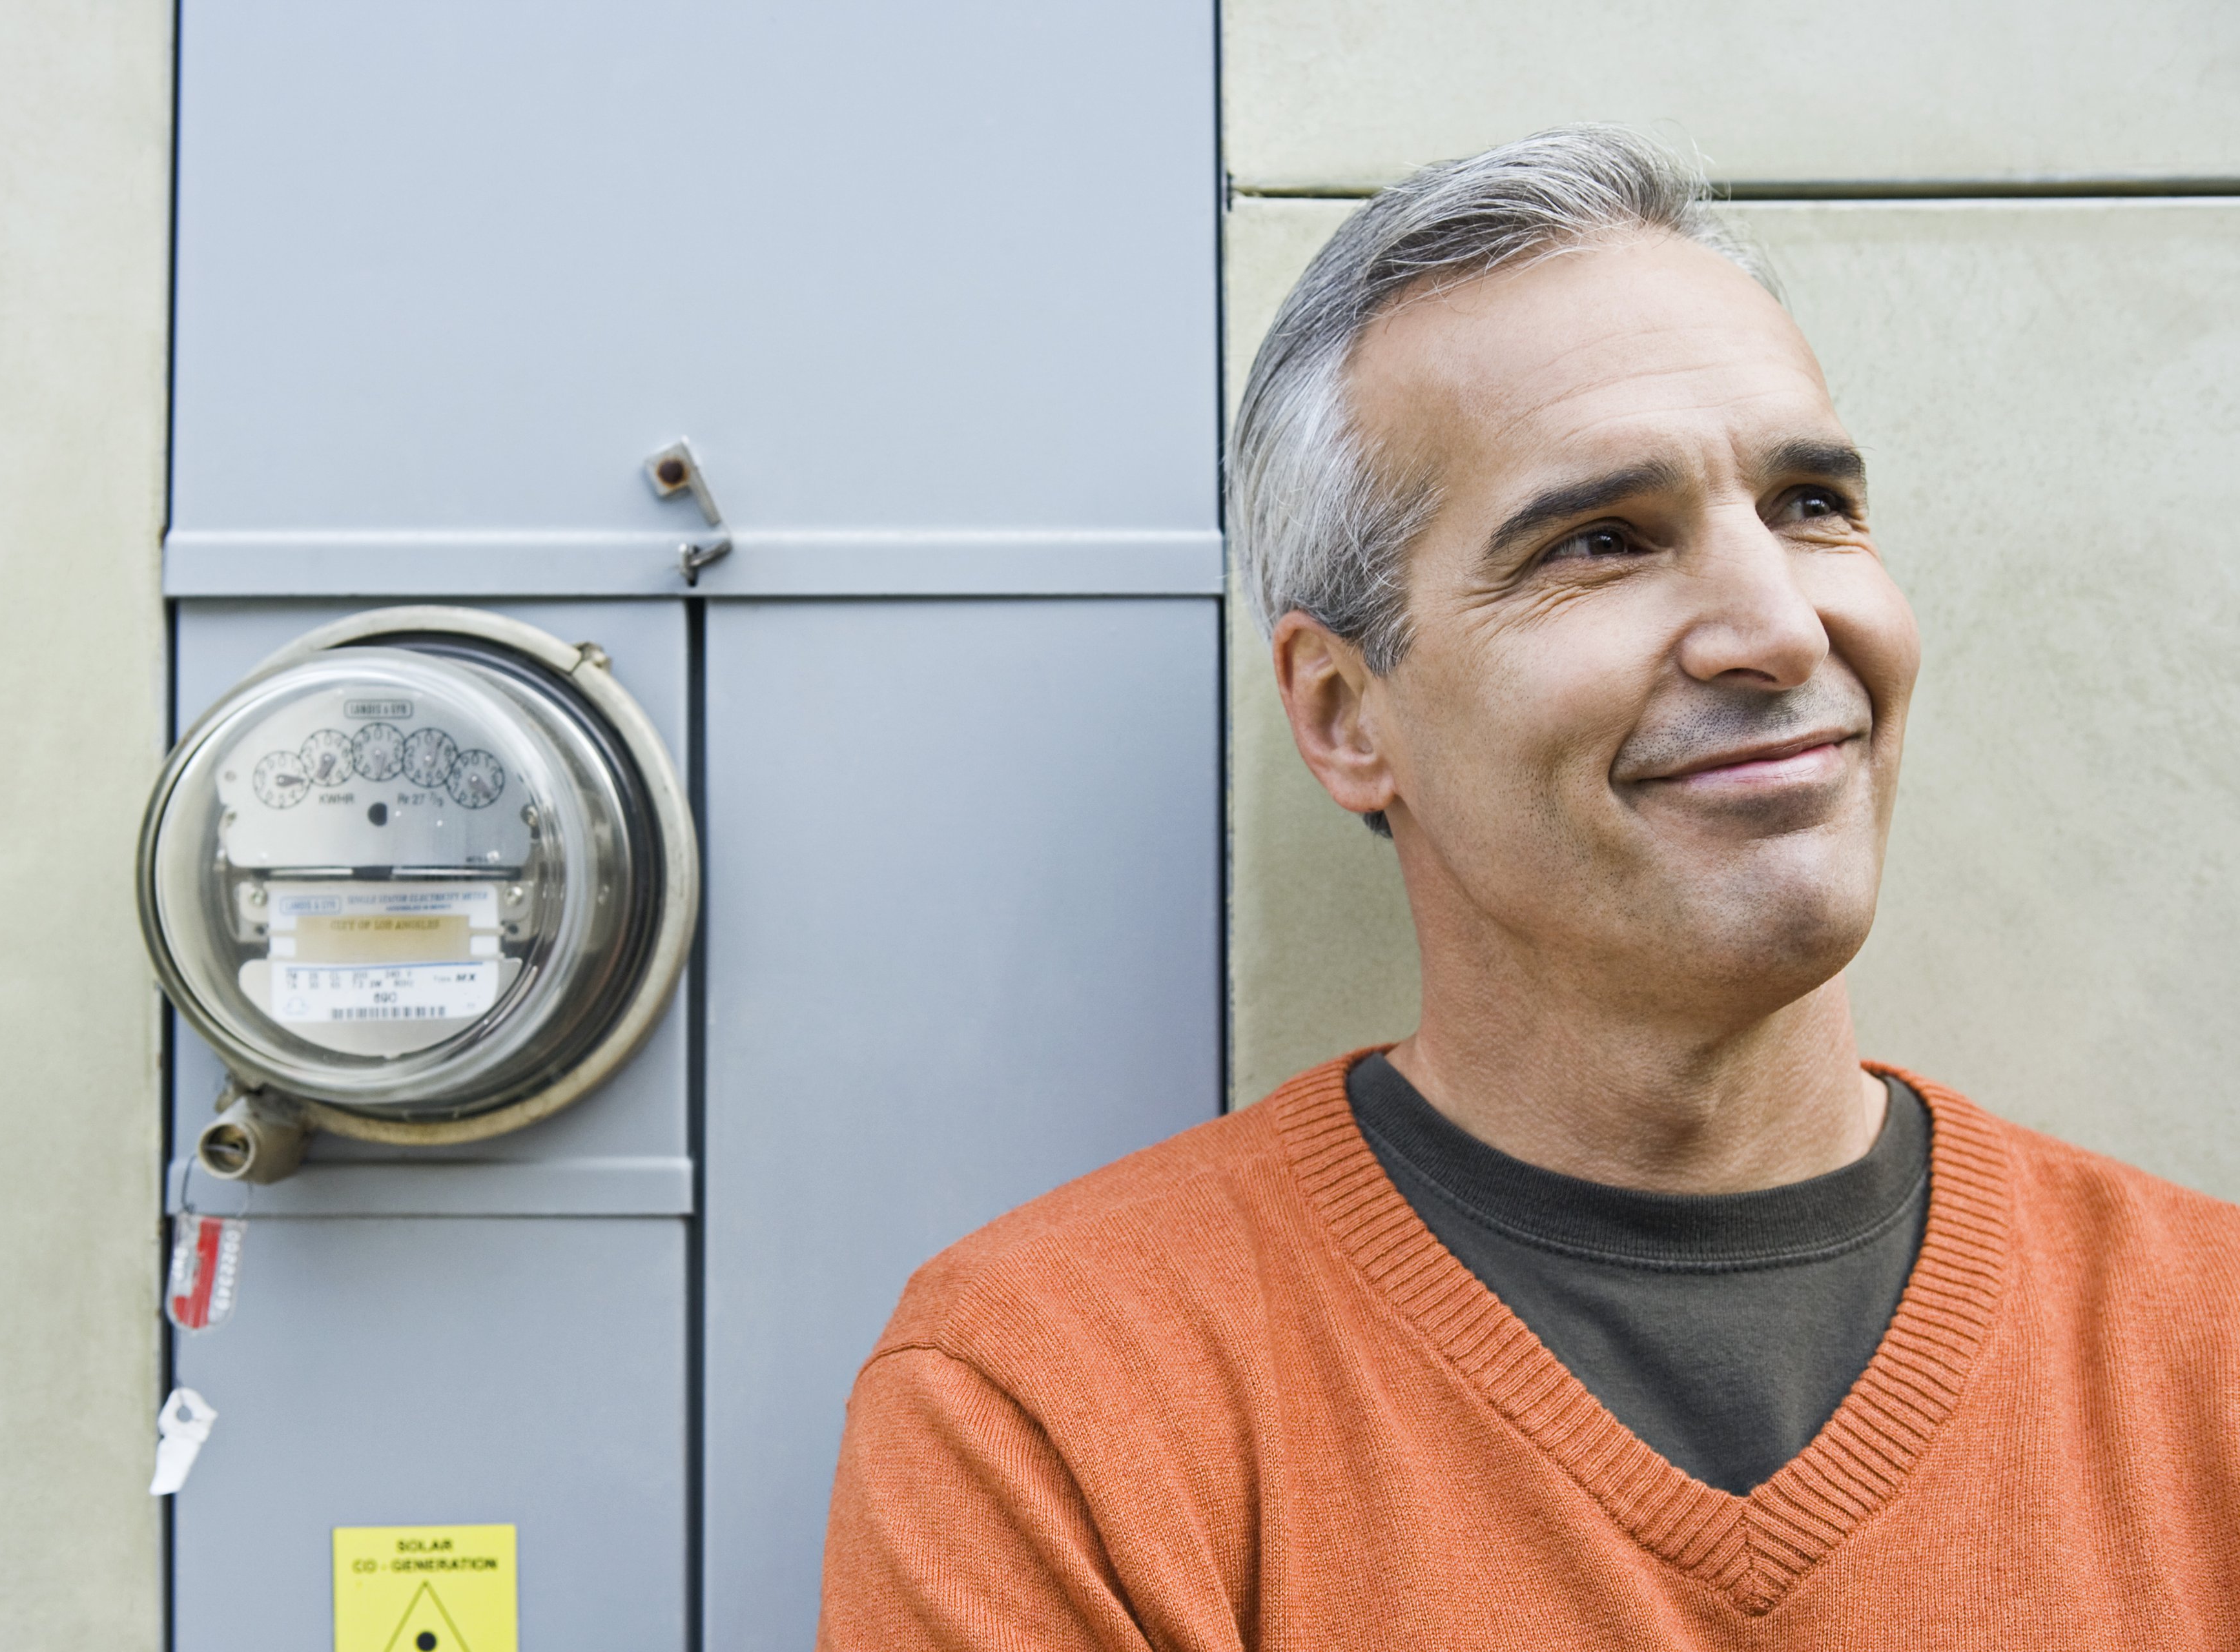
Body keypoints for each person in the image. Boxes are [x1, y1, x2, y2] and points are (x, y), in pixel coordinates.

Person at [817, 127, 2240, 1647]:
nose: (1778, 623)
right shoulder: (1060, 1407)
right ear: (1346, 714)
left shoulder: (2205, 1351)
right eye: (1604, 541)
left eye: (1812, 504)